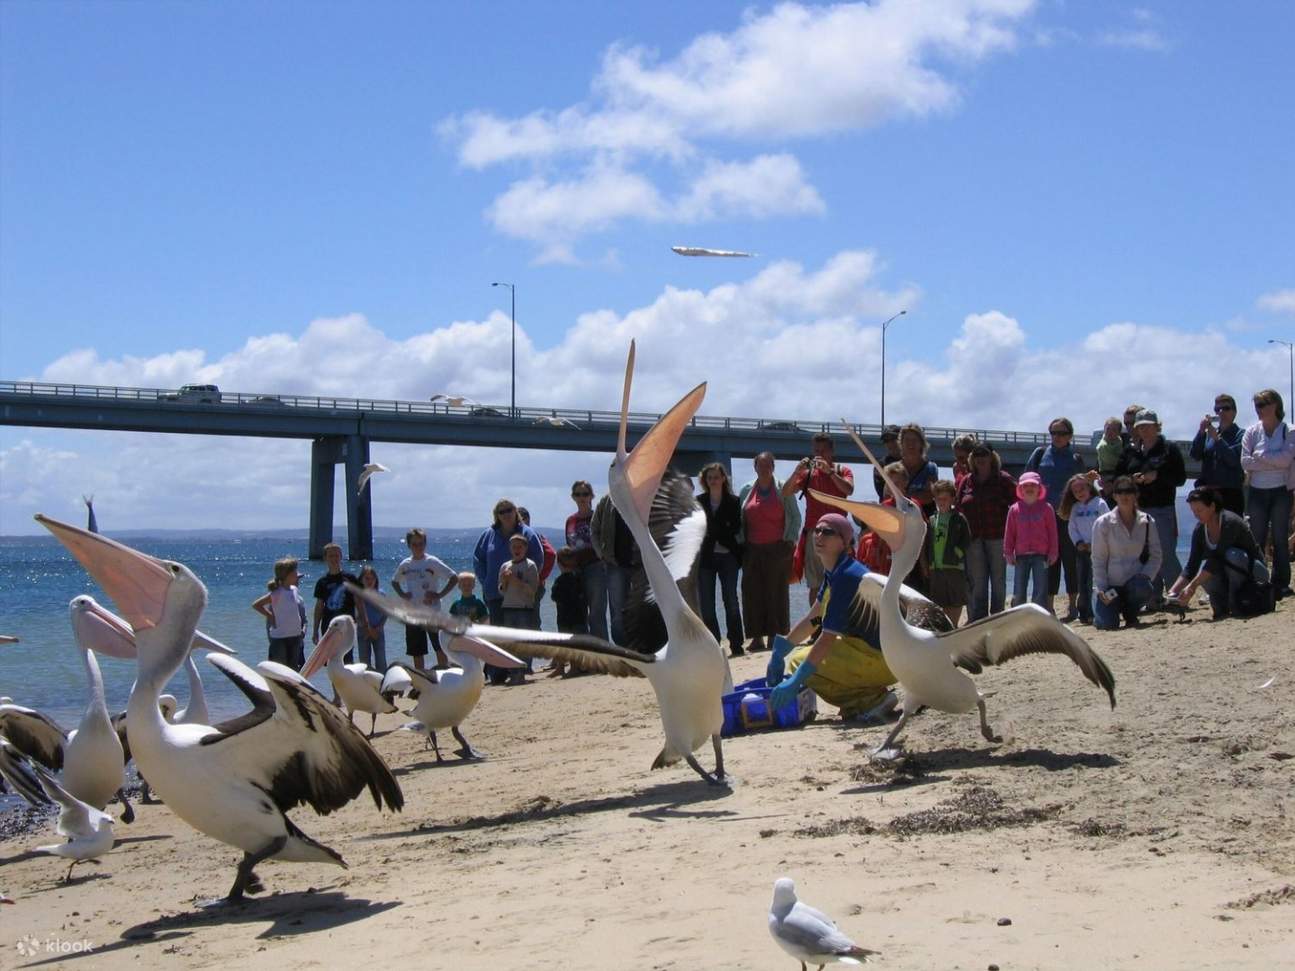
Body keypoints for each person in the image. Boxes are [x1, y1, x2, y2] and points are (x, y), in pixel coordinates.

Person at [765, 513, 899, 723]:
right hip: (872, 653)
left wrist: (795, 682)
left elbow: (826, 638)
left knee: (801, 665)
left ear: (844, 541)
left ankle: (872, 701)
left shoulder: (847, 577)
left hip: (881, 659)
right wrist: (780, 650)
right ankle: (866, 699)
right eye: (816, 530)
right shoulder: (836, 571)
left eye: (827, 532)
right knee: (799, 658)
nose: (819, 535)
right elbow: (814, 618)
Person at [1117, 409, 1187, 604]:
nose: (1145, 430)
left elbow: (1180, 478)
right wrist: (1131, 480)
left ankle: (1177, 594)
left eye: (1149, 426)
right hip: (1137, 511)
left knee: (1165, 552)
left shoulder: (1169, 449)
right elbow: (1117, 478)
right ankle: (1152, 597)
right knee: (1144, 555)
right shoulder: (1130, 451)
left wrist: (1157, 476)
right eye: (1141, 427)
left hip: (1163, 508)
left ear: (1157, 426)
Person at [1168, 488, 1267, 620]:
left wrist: (1192, 587)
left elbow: (1218, 558)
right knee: (1205, 571)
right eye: (1193, 511)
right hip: (1226, 574)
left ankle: (1237, 604)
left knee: (1232, 556)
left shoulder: (1230, 522)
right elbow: (1191, 566)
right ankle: (1221, 608)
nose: (1196, 515)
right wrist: (1173, 592)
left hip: (1254, 573)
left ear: (1212, 506)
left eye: (1199, 510)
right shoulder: (1200, 530)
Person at [737, 451, 801, 652]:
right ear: (755, 467)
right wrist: (740, 543)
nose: (764, 469)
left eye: (768, 465)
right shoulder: (746, 489)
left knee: (777, 593)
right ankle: (757, 638)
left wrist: (788, 542)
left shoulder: (783, 488)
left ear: (773, 467)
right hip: (752, 549)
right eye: (760, 465)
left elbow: (795, 517)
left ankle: (776, 635)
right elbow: (740, 519)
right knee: (752, 593)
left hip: (778, 548)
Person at [1025, 417, 1087, 620]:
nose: (1057, 437)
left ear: (1070, 435)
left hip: (1069, 516)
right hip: (1044, 516)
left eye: (1061, 433)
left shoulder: (1076, 458)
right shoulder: (1040, 454)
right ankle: (1049, 606)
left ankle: (1072, 605)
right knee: (1049, 561)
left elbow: (1082, 487)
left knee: (1071, 561)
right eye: (1053, 433)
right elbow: (1027, 481)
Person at [783, 432, 855, 605]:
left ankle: (836, 625)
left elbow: (849, 490)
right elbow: (785, 492)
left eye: (823, 451)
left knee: (839, 582)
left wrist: (830, 473)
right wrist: (796, 472)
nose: (819, 455)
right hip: (814, 535)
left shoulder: (842, 471)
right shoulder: (807, 474)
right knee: (815, 585)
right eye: (816, 451)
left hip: (838, 535)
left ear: (831, 451)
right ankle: (816, 627)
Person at [1241, 388, 1295, 599]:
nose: (1259, 410)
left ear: (1275, 405)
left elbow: (1286, 459)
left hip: (1281, 490)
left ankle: (1281, 582)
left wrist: (1260, 457)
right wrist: (1272, 460)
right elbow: (1245, 461)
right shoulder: (1252, 432)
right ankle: (1258, 578)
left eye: (1263, 405)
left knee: (1280, 538)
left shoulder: (1288, 431)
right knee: (1257, 538)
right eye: (1257, 406)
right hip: (1256, 491)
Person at [1090, 476, 1162, 630]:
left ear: (1135, 494)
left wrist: (1145, 576)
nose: (1125, 496)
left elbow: (1156, 555)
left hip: (1135, 585)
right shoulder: (1103, 523)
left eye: (1129, 491)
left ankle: (1131, 612)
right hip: (1110, 586)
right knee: (1107, 625)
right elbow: (1098, 559)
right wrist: (1102, 587)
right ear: (1114, 495)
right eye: (1120, 492)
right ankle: (1100, 603)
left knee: (1144, 587)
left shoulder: (1148, 521)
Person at [956, 443, 1016, 621]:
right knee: (977, 582)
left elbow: (1019, 503)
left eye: (985, 454)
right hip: (973, 539)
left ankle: (998, 618)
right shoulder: (966, 481)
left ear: (992, 457)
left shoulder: (1003, 479)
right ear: (972, 459)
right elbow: (959, 507)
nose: (981, 458)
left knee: (998, 581)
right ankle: (978, 620)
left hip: (998, 538)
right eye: (977, 455)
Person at [697, 462, 745, 657]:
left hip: (728, 558)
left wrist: (714, 531)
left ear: (723, 478)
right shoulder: (699, 501)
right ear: (705, 481)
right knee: (707, 605)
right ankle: (713, 646)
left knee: (731, 600)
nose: (713, 481)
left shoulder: (733, 501)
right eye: (709, 478)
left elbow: (735, 528)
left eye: (716, 477)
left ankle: (736, 644)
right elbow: (698, 529)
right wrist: (719, 529)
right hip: (706, 558)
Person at [392, 528, 457, 670]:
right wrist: (403, 594)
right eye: (414, 544)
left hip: (432, 612)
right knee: (417, 651)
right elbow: (394, 581)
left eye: (421, 544)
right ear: (409, 545)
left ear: (425, 544)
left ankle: (444, 675)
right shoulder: (406, 564)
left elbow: (453, 577)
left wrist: (439, 594)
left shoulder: (431, 561)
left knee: (439, 647)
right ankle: (422, 679)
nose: (418, 547)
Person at [473, 499, 544, 626]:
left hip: (521, 595)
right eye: (502, 511)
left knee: (523, 637)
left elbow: (538, 558)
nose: (506, 514)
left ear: (515, 512)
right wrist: (486, 581)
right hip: (495, 594)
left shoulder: (527, 533)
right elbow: (478, 559)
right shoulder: (489, 534)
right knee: (500, 637)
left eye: (509, 510)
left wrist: (529, 579)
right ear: (497, 515)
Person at [1058, 474, 1108, 625]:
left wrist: (1096, 544)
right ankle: (1084, 612)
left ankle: (1095, 611)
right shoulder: (1075, 508)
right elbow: (1072, 528)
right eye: (1075, 491)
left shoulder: (1100, 503)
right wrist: (1078, 542)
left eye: (1082, 489)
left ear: (1089, 487)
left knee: (1094, 581)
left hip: (1098, 549)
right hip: (1081, 550)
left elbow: (1107, 524)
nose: (1080, 493)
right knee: (1082, 581)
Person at [1003, 471, 1058, 610]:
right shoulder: (1014, 509)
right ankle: (1018, 613)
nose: (1029, 488)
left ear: (1039, 488)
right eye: (1025, 485)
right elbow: (1009, 533)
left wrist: (1053, 553)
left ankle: (1038, 614)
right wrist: (1008, 553)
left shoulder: (1046, 508)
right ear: (1020, 489)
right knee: (1019, 588)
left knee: (1040, 588)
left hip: (1041, 555)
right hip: (1021, 555)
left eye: (1033, 485)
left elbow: (1053, 533)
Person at [591, 494, 637, 644]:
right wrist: (601, 554)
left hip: (641, 565)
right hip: (614, 564)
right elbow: (594, 529)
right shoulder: (607, 501)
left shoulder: (643, 495)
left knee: (641, 608)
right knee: (617, 612)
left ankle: (641, 649)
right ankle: (622, 650)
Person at [923, 479, 970, 626]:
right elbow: (925, 544)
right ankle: (944, 629)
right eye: (938, 499)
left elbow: (967, 539)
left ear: (952, 499)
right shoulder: (931, 520)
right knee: (939, 602)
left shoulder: (959, 518)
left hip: (954, 568)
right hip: (936, 569)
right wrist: (926, 564)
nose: (941, 502)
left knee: (955, 601)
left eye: (945, 498)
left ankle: (954, 626)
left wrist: (957, 553)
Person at [565, 480, 608, 641]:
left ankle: (603, 658)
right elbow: (570, 545)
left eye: (585, 494)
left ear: (592, 496)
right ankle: (585, 659)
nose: (581, 497)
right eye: (578, 494)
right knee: (579, 615)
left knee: (596, 615)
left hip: (596, 567)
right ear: (573, 497)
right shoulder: (570, 520)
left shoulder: (598, 516)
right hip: (577, 571)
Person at [1190, 394, 1245, 515]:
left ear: (1234, 412)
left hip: (1230, 494)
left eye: (1226, 408)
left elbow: (1233, 460)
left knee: (1231, 530)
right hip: (1209, 494)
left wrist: (1218, 440)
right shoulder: (1210, 435)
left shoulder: (1242, 435)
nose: (1221, 412)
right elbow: (1195, 455)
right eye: (1217, 410)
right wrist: (1201, 432)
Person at [498, 534, 539, 684]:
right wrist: (504, 581)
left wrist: (516, 580)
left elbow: (532, 590)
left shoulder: (530, 565)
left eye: (519, 547)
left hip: (524, 608)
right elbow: (501, 591)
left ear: (525, 548)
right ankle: (514, 672)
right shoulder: (505, 566)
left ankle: (521, 672)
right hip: (508, 607)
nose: (516, 550)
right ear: (509, 548)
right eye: (514, 547)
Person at [252, 557, 306, 670]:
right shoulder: (277, 593)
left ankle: (291, 688)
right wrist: (270, 616)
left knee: (293, 669)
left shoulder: (294, 590)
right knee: (280, 668)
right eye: (295, 572)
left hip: (295, 636)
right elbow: (257, 605)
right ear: (288, 575)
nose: (297, 574)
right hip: (280, 637)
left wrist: (302, 628)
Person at [312, 543, 358, 661]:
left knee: (347, 660)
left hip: (347, 627)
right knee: (331, 660)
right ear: (325, 558)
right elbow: (319, 607)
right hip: (329, 627)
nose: (334, 559)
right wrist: (315, 630)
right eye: (331, 556)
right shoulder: (322, 582)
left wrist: (363, 621)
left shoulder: (351, 578)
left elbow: (359, 602)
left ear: (341, 556)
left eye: (337, 555)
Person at [548, 547, 588, 678]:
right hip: (578, 616)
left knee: (566, 644)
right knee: (572, 644)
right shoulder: (579, 578)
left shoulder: (561, 580)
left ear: (558, 563)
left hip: (566, 618)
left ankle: (572, 667)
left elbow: (554, 596)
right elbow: (584, 596)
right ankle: (562, 667)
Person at [517, 507, 556, 630]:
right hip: (525, 584)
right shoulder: (532, 535)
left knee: (531, 623)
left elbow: (551, 554)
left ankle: (537, 648)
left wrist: (539, 577)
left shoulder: (532, 536)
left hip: (533, 585)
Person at [898, 423, 940, 516]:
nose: (910, 443)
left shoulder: (930, 468)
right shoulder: (895, 469)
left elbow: (929, 497)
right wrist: (917, 494)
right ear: (901, 443)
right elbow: (888, 495)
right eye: (907, 440)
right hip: (901, 521)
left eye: (914, 440)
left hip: (925, 520)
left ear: (922, 443)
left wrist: (904, 495)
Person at [354, 565, 388, 670]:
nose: (370, 581)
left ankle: (382, 684)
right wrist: (367, 629)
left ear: (376, 580)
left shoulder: (381, 594)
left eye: (372, 578)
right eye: (367, 578)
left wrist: (378, 628)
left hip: (378, 631)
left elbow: (385, 614)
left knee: (381, 662)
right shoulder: (358, 595)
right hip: (363, 631)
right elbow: (356, 615)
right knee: (364, 664)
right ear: (361, 580)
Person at [1095, 418, 1124, 499]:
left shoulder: (1118, 442)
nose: (1110, 432)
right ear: (1104, 429)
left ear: (1119, 432)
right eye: (1108, 429)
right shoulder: (1102, 446)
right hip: (1106, 474)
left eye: (1114, 430)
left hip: (1115, 474)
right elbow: (1113, 461)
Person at [872, 425, 903, 499]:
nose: (890, 443)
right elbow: (881, 492)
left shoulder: (912, 461)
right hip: (889, 507)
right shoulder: (880, 465)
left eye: (893, 439)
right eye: (886, 441)